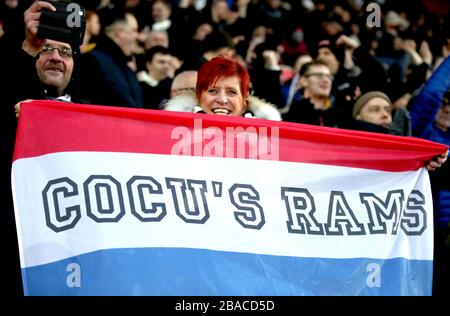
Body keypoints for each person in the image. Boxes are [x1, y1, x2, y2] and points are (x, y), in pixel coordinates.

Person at [409, 56, 450, 295]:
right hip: (430, 233)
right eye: (444, 103)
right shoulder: (423, 133)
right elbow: (430, 97)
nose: (447, 108)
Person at [165, 55, 281, 120]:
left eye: (231, 92)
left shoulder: (267, 142)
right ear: (198, 97)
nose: (222, 100)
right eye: (213, 91)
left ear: (244, 101)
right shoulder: (167, 134)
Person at [80, 10, 143, 108]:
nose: (138, 36)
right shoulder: (91, 61)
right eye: (134, 30)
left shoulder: (126, 67)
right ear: (120, 32)